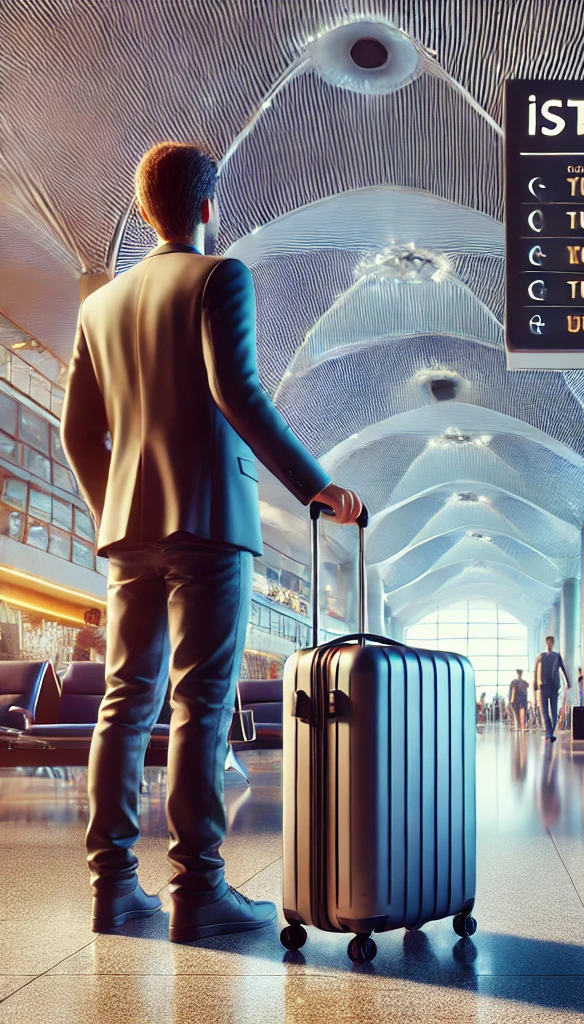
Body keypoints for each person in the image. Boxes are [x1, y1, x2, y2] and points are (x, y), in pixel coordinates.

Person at [61, 142, 363, 942]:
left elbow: (78, 434)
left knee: (125, 702)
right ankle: (198, 890)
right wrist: (314, 486)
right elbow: (238, 392)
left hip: (128, 531)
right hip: (206, 522)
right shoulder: (219, 276)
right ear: (206, 208)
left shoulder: (99, 308)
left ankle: (114, 888)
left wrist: (114, 513)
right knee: (202, 701)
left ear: (145, 208)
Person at [534, 635, 571, 742]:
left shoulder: (557, 656)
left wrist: (567, 682)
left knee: (554, 711)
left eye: (551, 642)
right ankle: (549, 732)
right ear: (546, 643)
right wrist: (535, 685)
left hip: (554, 687)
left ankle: (550, 731)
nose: (549, 644)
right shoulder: (541, 656)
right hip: (543, 687)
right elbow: (536, 671)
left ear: (553, 643)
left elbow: (563, 669)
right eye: (548, 642)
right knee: (544, 711)